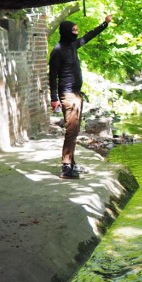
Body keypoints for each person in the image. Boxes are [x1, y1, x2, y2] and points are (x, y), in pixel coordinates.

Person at [49, 14, 113, 179]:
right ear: (65, 31)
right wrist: (54, 98)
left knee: (75, 130)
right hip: (67, 94)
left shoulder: (72, 45)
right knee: (71, 131)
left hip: (76, 94)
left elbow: (88, 36)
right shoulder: (57, 51)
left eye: (77, 30)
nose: (76, 32)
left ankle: (72, 163)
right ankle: (65, 167)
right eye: (73, 30)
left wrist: (104, 24)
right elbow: (52, 75)